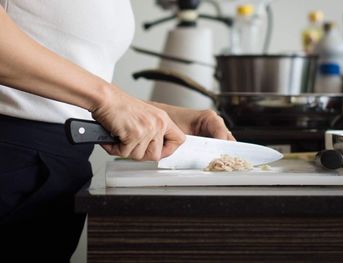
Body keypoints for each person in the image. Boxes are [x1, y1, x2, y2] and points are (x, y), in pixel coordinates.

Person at [0, 1, 234, 262]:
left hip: (57, 163)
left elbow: (65, 76)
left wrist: (159, 115)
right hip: (11, 157)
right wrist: (109, 101)